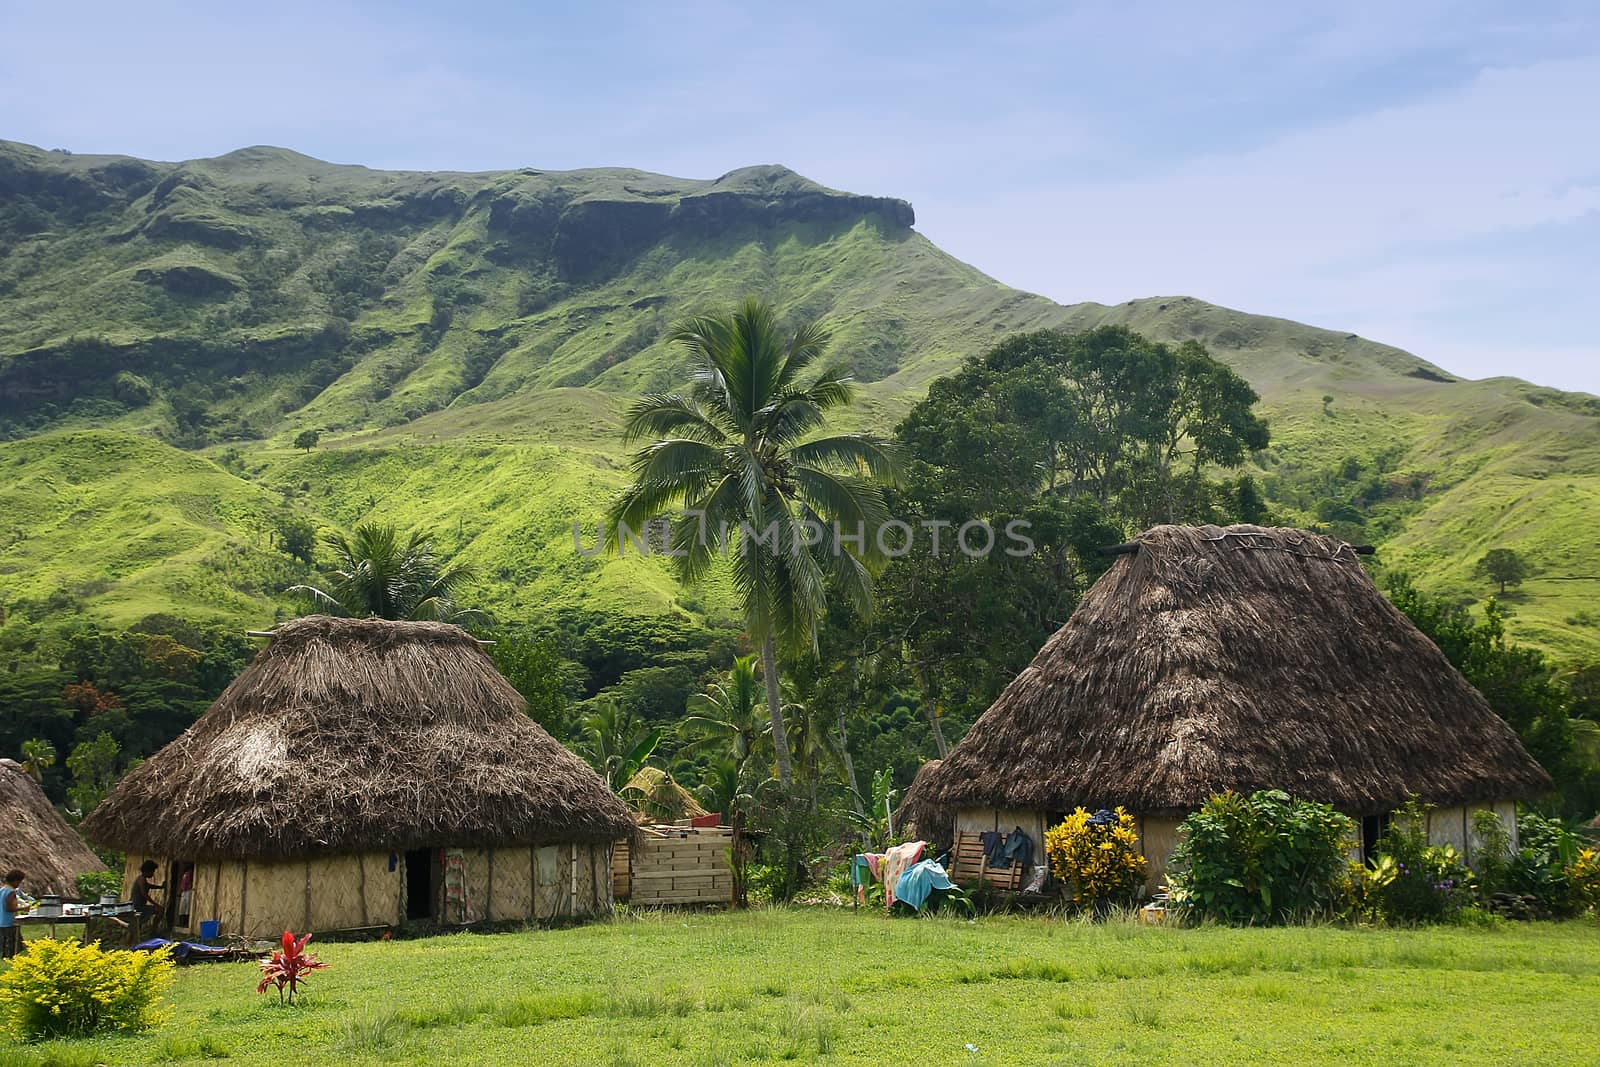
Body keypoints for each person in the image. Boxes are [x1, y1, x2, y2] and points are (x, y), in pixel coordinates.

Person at [0, 869, 25, 959]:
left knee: (4, 944)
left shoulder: (2, 890)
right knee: (11, 946)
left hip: (1, 921)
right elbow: (9, 908)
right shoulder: (11, 892)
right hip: (9, 922)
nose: (19, 884)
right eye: (19, 882)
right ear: (15, 881)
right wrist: (24, 908)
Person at [131, 860, 164, 927]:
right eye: (152, 871)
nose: (153, 874)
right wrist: (156, 904)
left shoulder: (142, 878)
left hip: (138, 905)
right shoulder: (141, 879)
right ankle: (153, 931)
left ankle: (153, 930)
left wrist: (161, 887)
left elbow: (149, 886)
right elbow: (144, 894)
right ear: (147, 871)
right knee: (160, 910)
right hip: (138, 906)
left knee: (137, 925)